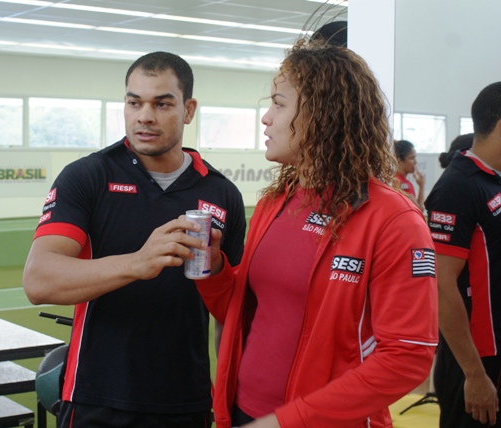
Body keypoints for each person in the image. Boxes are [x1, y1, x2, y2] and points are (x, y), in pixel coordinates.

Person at [194, 40, 438, 428]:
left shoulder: (393, 219)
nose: (266, 118)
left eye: (279, 103)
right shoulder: (276, 202)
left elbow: (407, 357)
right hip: (243, 412)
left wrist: (288, 420)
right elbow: (246, 313)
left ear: (321, 115)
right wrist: (212, 268)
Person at [23, 51, 246, 428]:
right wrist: (137, 263)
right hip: (97, 400)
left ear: (188, 110)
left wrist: (229, 402)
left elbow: (234, 314)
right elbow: (38, 280)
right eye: (134, 102)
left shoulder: (222, 194)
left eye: (162, 104)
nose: (145, 115)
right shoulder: (87, 177)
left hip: (187, 403)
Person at [425, 81, 501, 427]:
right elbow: (441, 285)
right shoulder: (458, 186)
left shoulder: (492, 180)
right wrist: (474, 374)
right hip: (474, 364)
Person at [394, 139, 425, 210]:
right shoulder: (397, 182)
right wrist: (422, 186)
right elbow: (419, 210)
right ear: (400, 160)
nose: (415, 162)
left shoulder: (406, 182)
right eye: (412, 158)